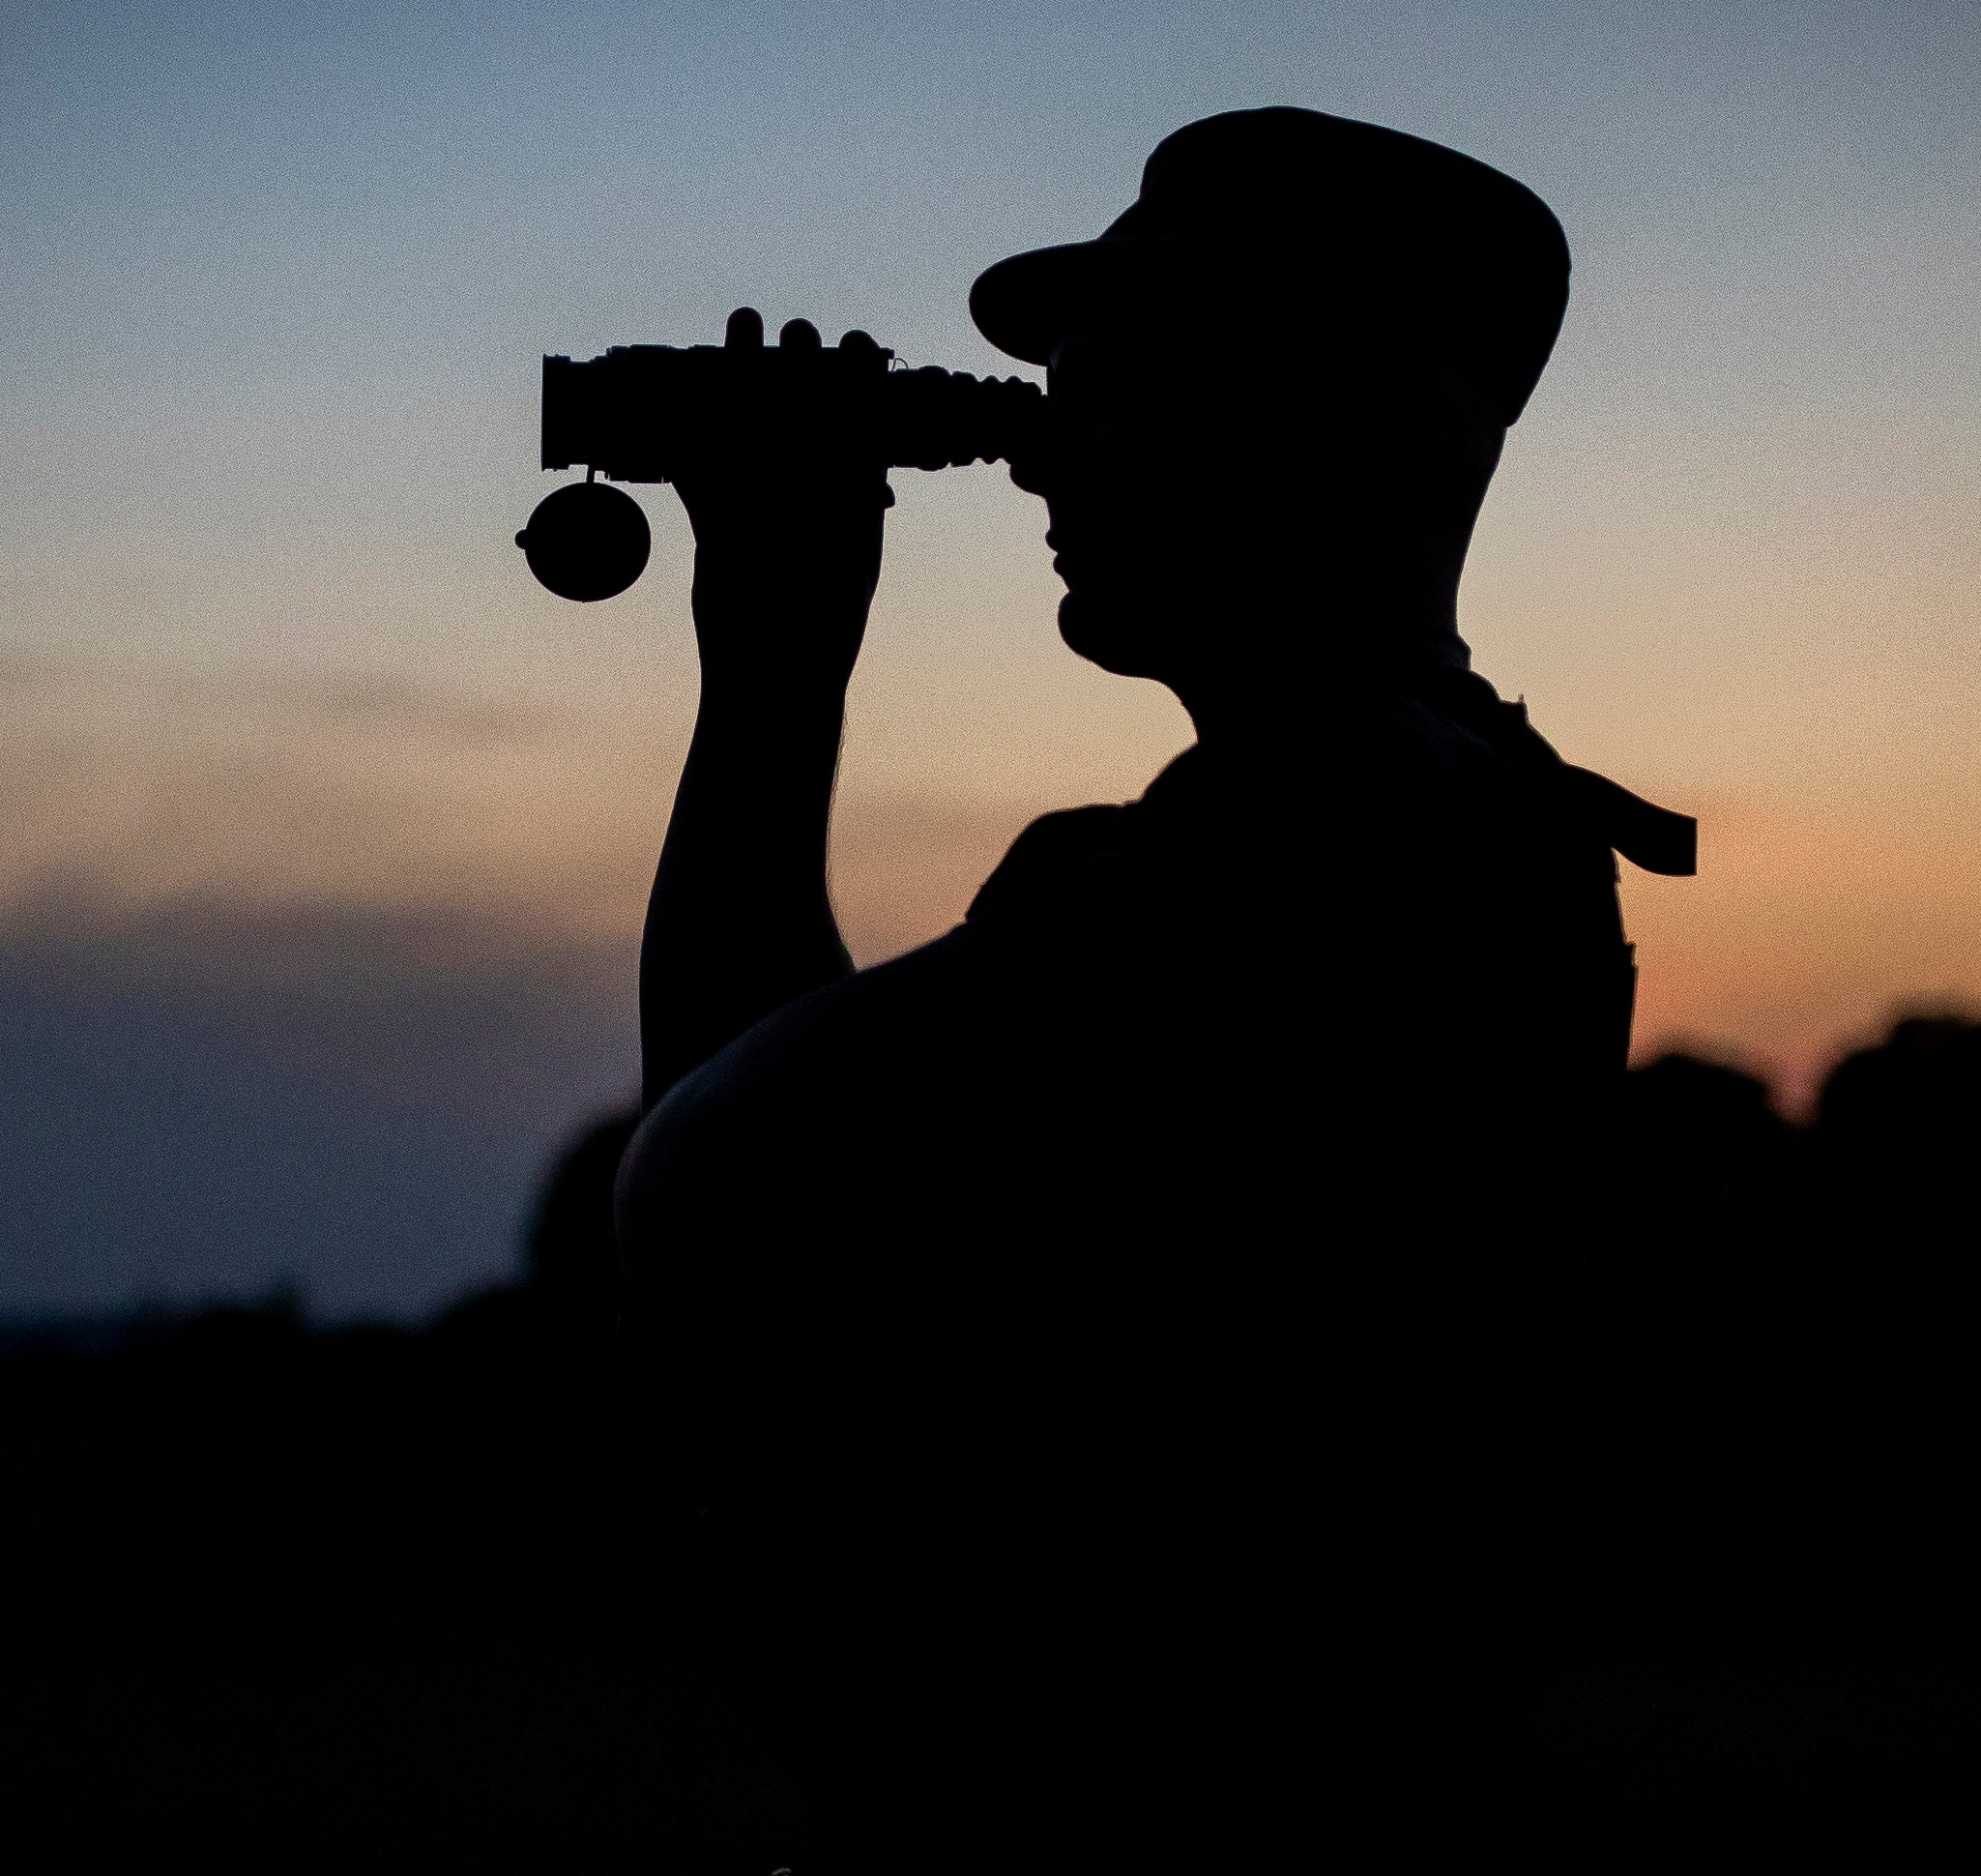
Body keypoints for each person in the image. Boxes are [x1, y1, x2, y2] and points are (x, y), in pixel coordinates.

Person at [613, 107, 1692, 1866]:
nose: (1039, 462)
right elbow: (752, 1153)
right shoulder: (1448, 810)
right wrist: (774, 664)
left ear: (1319, 409)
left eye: (1107, 393)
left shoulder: (1344, 822)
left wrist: (775, 673)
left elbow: (721, 1174)